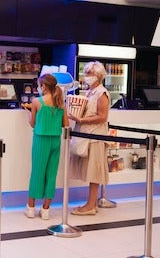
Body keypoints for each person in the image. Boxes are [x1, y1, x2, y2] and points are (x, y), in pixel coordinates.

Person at [23, 74, 69, 220]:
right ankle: (46, 209)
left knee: (37, 172)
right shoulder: (60, 103)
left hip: (41, 140)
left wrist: (29, 113)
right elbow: (66, 124)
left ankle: (31, 208)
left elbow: (32, 123)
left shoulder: (37, 101)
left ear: (43, 86)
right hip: (55, 140)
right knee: (51, 174)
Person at [68, 61, 110, 216]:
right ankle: (91, 203)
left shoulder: (102, 93)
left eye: (90, 74)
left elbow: (102, 117)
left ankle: (91, 205)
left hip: (96, 137)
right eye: (86, 73)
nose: (87, 77)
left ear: (99, 76)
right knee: (90, 170)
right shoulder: (89, 92)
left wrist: (81, 120)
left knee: (94, 172)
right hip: (87, 135)